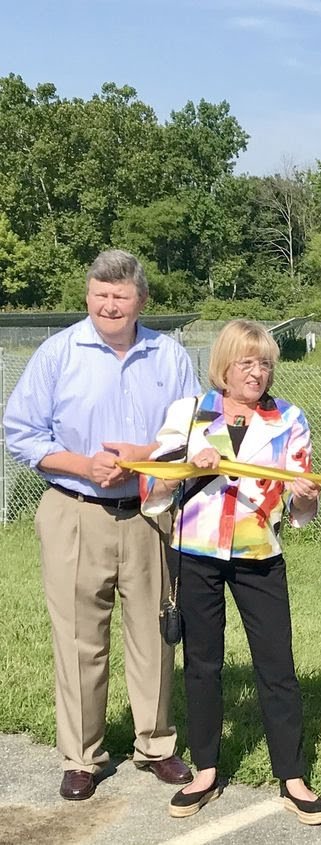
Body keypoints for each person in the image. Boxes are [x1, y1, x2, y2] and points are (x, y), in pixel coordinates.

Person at [3, 250, 198, 801]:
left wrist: (146, 457)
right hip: (75, 509)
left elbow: (189, 435)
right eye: (100, 294)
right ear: (88, 295)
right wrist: (83, 464)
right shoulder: (58, 352)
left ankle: (156, 745)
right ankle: (82, 756)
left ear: (141, 301)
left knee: (155, 636)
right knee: (78, 638)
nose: (109, 305)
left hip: (150, 513)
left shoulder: (170, 356)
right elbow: (22, 433)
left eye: (121, 296)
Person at [141, 319, 321, 824]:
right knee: (202, 663)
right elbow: (155, 484)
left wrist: (305, 497)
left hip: (258, 556)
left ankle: (291, 775)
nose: (257, 372)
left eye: (265, 363)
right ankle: (205, 769)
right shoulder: (189, 413)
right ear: (223, 365)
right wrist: (189, 462)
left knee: (277, 666)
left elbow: (298, 502)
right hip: (196, 553)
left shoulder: (290, 418)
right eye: (246, 362)